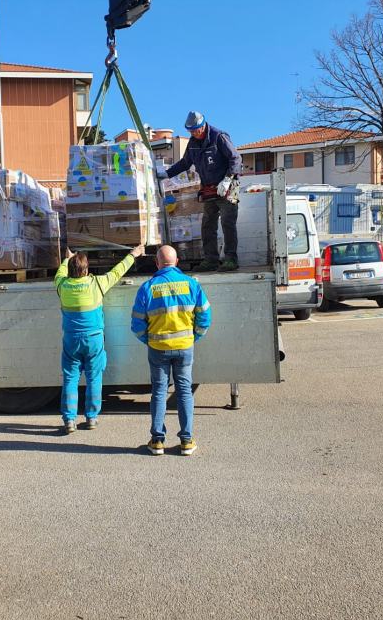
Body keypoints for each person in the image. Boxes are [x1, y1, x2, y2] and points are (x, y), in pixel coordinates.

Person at [131, 245, 212, 456]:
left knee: (159, 391)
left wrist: (149, 341)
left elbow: (137, 325)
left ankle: (157, 441)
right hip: (185, 347)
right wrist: (194, 337)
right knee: (184, 391)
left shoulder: (148, 288)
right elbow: (205, 317)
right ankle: (186, 440)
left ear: (157, 263)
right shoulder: (192, 284)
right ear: (177, 262)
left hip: (158, 348)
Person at [55, 244, 145, 434]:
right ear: (86, 269)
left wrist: (66, 258)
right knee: (94, 378)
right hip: (94, 339)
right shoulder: (97, 284)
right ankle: (91, 418)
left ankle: (69, 420)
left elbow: (60, 272)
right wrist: (133, 254)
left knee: (70, 378)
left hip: (71, 339)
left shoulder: (62, 285)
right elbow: (117, 271)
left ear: (70, 269)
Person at [160, 111, 242, 272]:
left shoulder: (219, 137)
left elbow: (236, 158)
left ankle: (231, 259)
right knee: (207, 225)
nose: (194, 133)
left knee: (227, 223)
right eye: (190, 131)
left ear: (203, 125)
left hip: (227, 187)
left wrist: (228, 179)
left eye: (196, 130)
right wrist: (166, 174)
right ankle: (211, 260)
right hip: (209, 189)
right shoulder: (192, 144)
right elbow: (185, 163)